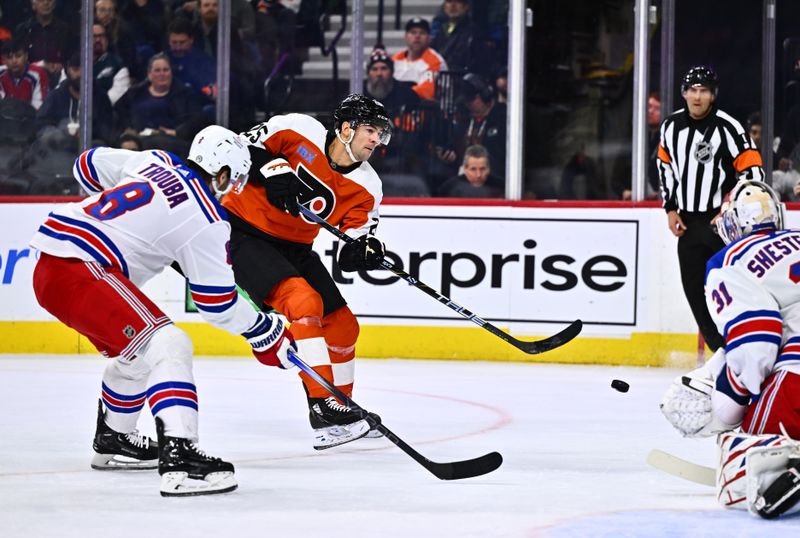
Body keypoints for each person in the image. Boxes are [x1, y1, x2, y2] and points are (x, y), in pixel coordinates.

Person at [29, 125, 296, 497]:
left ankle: (115, 438)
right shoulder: (206, 217)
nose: (231, 187)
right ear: (221, 173)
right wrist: (264, 330)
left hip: (51, 260)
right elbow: (217, 303)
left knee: (139, 351)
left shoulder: (156, 160)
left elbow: (85, 165)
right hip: (80, 267)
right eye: (232, 179)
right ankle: (181, 457)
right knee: (169, 344)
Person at [222, 94, 393, 449]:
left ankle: (338, 412)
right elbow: (234, 149)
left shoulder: (368, 186)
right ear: (345, 129)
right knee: (303, 300)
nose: (376, 139)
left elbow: (353, 244)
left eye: (380, 133)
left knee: (344, 325)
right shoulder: (296, 128)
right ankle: (322, 404)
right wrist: (272, 168)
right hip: (241, 231)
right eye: (370, 130)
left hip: (296, 246)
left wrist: (365, 251)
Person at [660, 180, 800, 519]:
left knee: (745, 455)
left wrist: (731, 399)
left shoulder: (729, 261)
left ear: (732, 221)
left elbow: (756, 340)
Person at [656, 66, 764, 353]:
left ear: (713, 95)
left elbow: (753, 172)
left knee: (732, 292)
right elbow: (664, 167)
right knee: (695, 294)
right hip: (688, 224)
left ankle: (744, 351)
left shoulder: (729, 128)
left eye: (703, 90)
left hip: (722, 225)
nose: (697, 96)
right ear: (684, 93)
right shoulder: (670, 126)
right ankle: (722, 354)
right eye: (692, 90)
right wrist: (669, 208)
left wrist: (729, 208)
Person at [391, 17, 447, 102]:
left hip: (426, 110)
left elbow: (427, 92)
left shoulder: (434, 60)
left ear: (429, 38)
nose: (417, 36)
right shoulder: (395, 58)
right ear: (406, 37)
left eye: (422, 33)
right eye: (413, 32)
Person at [0, 35, 49, 110]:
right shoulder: (1, 73)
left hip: (29, 117)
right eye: (9, 57)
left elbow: (39, 106)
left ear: (26, 56)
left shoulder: (38, 74)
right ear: (3, 60)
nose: (14, 61)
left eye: (18, 56)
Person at [437, 144, 502, 197]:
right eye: (473, 169)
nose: (478, 175)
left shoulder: (502, 188)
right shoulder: (449, 188)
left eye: (482, 169)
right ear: (465, 169)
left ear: (488, 169)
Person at [92, 22, 130, 106]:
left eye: (101, 36)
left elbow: (116, 95)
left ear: (107, 40)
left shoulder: (118, 64)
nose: (98, 40)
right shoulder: (75, 62)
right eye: (94, 36)